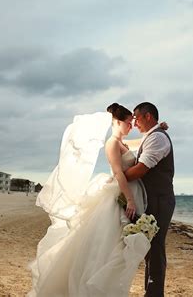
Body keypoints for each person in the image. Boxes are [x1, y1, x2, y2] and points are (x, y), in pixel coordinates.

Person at [27, 103, 151, 296]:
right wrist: (130, 200)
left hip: (123, 195)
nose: (132, 126)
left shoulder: (122, 143)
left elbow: (136, 145)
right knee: (105, 247)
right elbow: (119, 173)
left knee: (112, 246)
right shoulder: (111, 144)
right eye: (128, 122)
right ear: (117, 122)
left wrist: (155, 131)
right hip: (119, 197)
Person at [124, 102, 175, 297]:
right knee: (149, 247)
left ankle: (155, 293)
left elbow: (141, 169)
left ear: (148, 116)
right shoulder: (153, 136)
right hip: (152, 199)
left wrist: (119, 177)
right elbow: (139, 146)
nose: (135, 123)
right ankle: (151, 291)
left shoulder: (159, 139)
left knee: (155, 247)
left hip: (161, 200)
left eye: (137, 118)